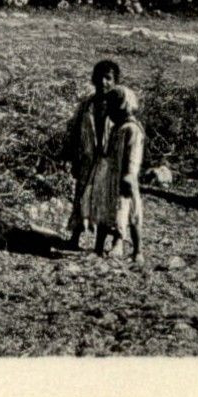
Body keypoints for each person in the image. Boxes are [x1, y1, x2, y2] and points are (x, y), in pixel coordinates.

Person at [66, 60, 122, 248]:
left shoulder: (119, 107)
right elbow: (74, 131)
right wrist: (73, 156)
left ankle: (99, 244)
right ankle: (75, 237)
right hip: (87, 158)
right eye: (99, 78)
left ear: (115, 82)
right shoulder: (86, 105)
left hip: (108, 161)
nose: (103, 82)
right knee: (81, 197)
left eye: (108, 78)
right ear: (93, 79)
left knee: (104, 201)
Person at [86, 85, 146, 261]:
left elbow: (133, 155)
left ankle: (137, 250)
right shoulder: (117, 128)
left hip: (125, 177)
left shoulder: (132, 129)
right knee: (107, 212)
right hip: (113, 177)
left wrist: (130, 173)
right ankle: (98, 247)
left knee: (130, 212)